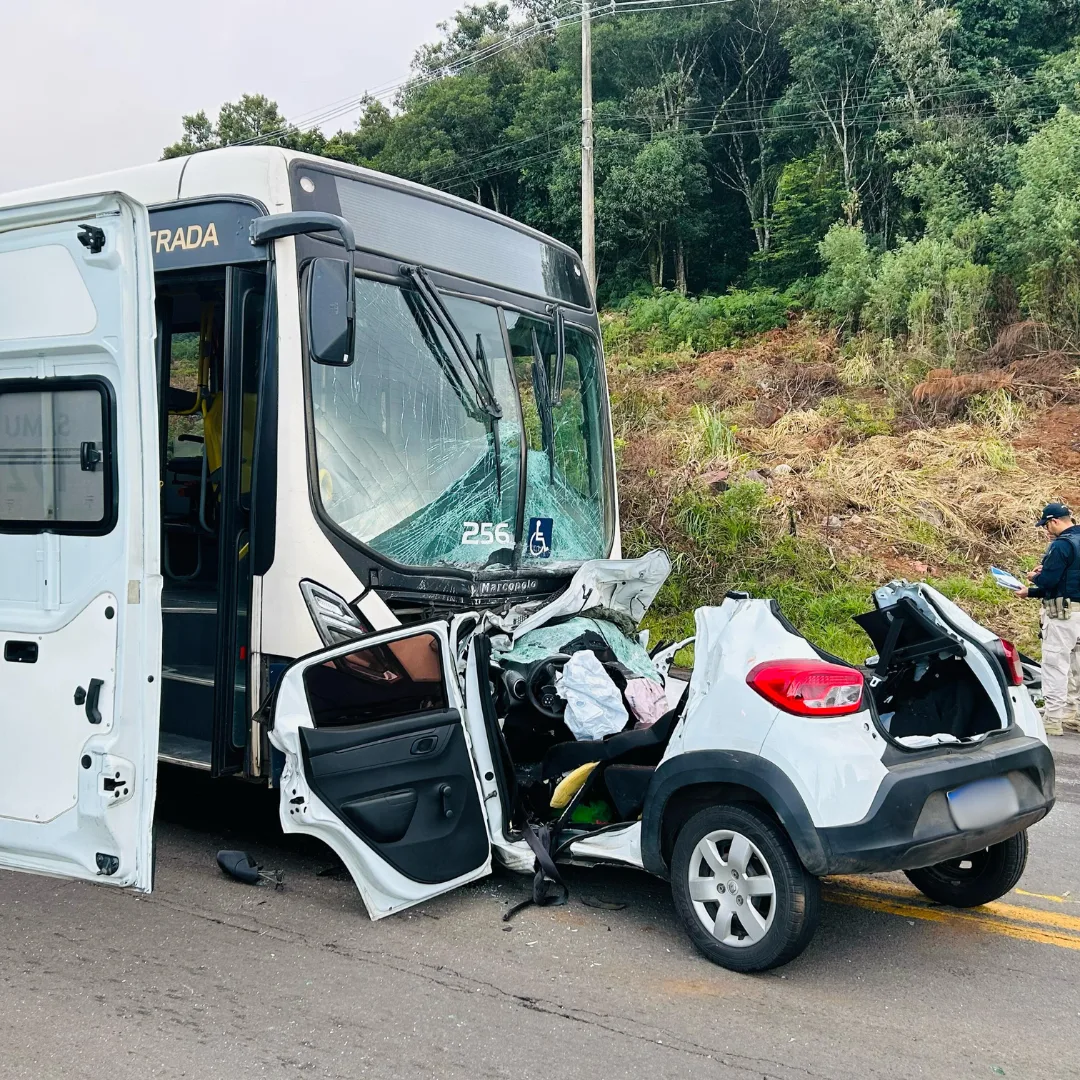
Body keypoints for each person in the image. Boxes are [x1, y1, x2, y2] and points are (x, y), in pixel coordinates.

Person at [1017, 502, 1080, 735]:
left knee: (1056, 665)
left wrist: (1033, 579)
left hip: (1062, 615)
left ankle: (1053, 719)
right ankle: (1075, 715)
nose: (1046, 530)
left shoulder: (1062, 545)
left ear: (1054, 521)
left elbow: (1049, 582)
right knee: (1078, 667)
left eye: (1046, 525)